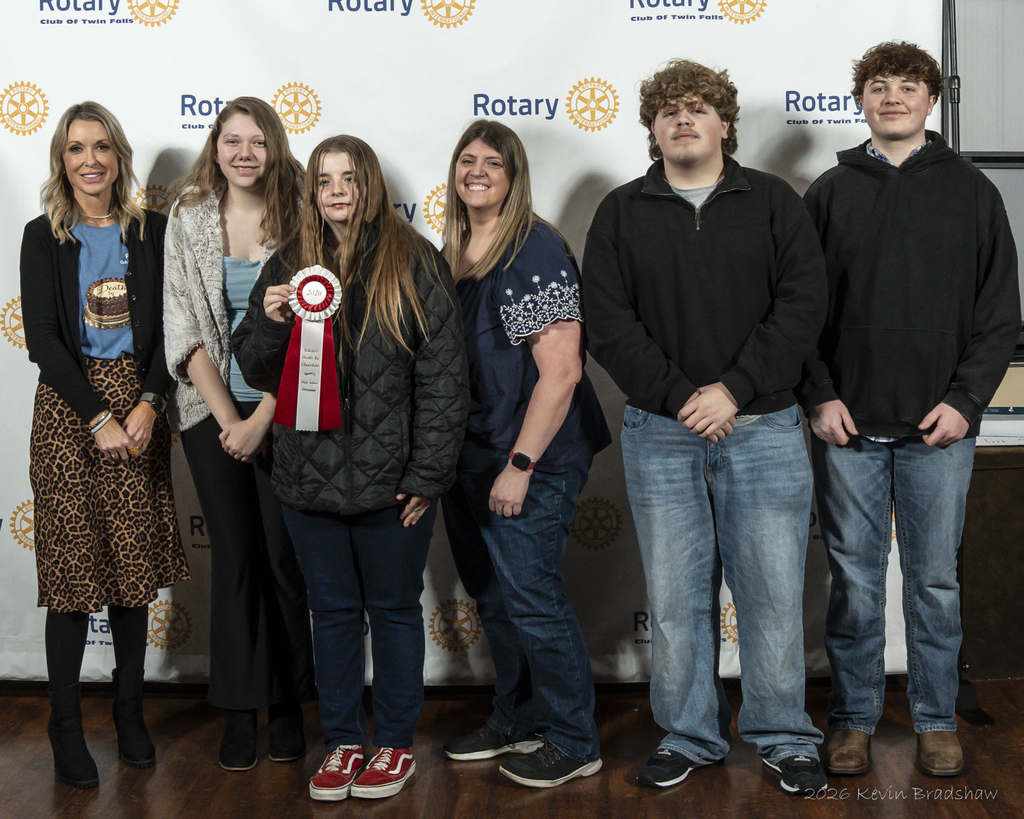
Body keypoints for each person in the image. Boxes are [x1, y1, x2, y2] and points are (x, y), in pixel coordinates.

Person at [581, 59, 828, 795]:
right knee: (677, 596)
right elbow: (608, 323)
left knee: (774, 594)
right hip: (662, 433)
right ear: (652, 130)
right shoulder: (621, 212)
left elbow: (803, 305)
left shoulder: (777, 202)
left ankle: (785, 736)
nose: (682, 120)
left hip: (766, 428)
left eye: (698, 108)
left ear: (725, 123)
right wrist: (684, 396)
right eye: (668, 111)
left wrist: (736, 389)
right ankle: (689, 733)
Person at [801, 41, 1020, 779]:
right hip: (849, 426)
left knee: (933, 581)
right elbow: (798, 312)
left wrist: (966, 401)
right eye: (878, 86)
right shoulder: (829, 192)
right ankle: (853, 721)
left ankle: (934, 719)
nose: (892, 97)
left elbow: (999, 315)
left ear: (932, 100)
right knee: (856, 582)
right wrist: (820, 393)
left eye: (908, 86)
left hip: (941, 429)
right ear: (860, 100)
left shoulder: (973, 192)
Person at [233, 135, 468, 802]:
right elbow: (253, 368)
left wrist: (428, 473)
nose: (337, 190)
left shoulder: (414, 260)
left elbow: (445, 378)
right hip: (307, 483)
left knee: (393, 611)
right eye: (324, 179)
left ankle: (393, 744)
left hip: (391, 485)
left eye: (349, 177)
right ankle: (340, 744)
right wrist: (276, 321)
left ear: (368, 185)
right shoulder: (287, 263)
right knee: (331, 614)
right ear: (312, 191)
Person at [20, 101, 190, 789]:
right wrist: (100, 417)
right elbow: (43, 340)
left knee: (131, 567)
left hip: (142, 401)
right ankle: (65, 721)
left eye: (101, 147)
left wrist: (149, 403)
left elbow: (172, 330)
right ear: (62, 161)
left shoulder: (152, 232)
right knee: (71, 574)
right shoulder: (42, 236)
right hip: (69, 409)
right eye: (75, 148)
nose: (90, 159)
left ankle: (129, 712)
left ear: (118, 156)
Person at [438, 120, 611, 788]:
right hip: (471, 453)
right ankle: (519, 715)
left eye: (492, 162)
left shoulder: (531, 248)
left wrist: (520, 463)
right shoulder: (454, 246)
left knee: (533, 599)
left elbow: (561, 371)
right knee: (496, 596)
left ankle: (574, 736)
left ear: (514, 176)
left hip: (529, 455)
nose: (476, 170)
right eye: (466, 159)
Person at [163, 97, 314, 771]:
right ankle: (238, 710)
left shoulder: (304, 218)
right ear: (215, 148)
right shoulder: (188, 217)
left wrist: (264, 417)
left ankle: (287, 705)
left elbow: (318, 334)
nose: (245, 152)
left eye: (257, 140)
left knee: (284, 561)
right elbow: (182, 325)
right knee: (235, 561)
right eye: (233, 140)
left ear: (274, 147)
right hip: (211, 415)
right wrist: (231, 420)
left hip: (289, 410)